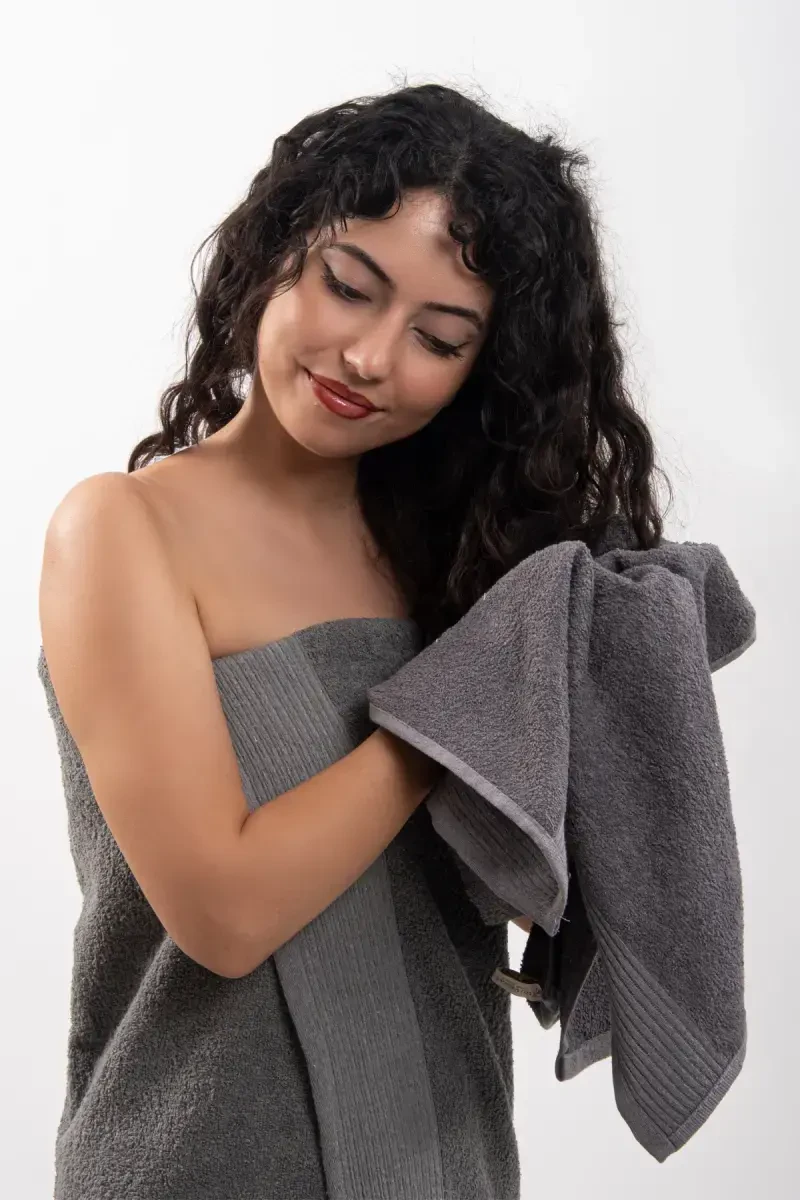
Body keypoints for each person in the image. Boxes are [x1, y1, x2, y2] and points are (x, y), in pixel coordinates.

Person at [37, 81, 672, 1199]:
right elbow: (224, 913)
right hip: (197, 1168)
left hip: (449, 1162)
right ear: (277, 251)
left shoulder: (461, 569)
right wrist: (460, 718)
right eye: (348, 286)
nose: (370, 357)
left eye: (438, 338)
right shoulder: (124, 531)